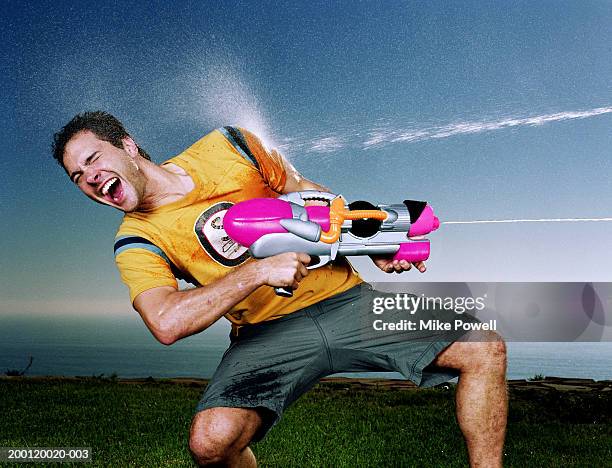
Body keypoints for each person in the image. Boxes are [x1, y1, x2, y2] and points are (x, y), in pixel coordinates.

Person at [53, 111, 507, 467]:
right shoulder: (136, 240)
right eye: (77, 176)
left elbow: (310, 195)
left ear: (128, 146)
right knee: (210, 444)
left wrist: (370, 240)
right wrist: (255, 272)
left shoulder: (229, 144)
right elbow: (166, 321)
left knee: (483, 347)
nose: (89, 177)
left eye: (93, 159)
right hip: (265, 336)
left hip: (347, 300)